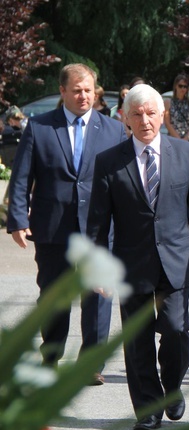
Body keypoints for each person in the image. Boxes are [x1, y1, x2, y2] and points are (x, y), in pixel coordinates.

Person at [87, 84, 189, 430]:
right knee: (137, 337)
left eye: (151, 113)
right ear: (125, 118)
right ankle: (147, 408)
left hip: (176, 261)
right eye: (137, 114)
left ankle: (171, 388)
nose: (145, 120)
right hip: (130, 265)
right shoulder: (109, 161)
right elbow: (98, 221)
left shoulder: (186, 153)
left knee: (174, 329)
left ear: (162, 115)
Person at [6, 63, 128, 383]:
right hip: (53, 227)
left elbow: (122, 183)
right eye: (76, 90)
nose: (84, 96)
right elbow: (21, 178)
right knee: (53, 296)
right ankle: (51, 356)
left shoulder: (113, 130)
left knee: (97, 296)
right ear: (62, 92)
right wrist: (18, 218)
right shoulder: (41, 127)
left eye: (89, 90)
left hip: (98, 228)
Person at [164, 74, 189, 141]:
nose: (183, 89)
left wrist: (186, 138)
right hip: (172, 139)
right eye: (180, 86)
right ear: (176, 86)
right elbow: (167, 123)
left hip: (187, 139)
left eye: (185, 87)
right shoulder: (168, 102)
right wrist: (178, 139)